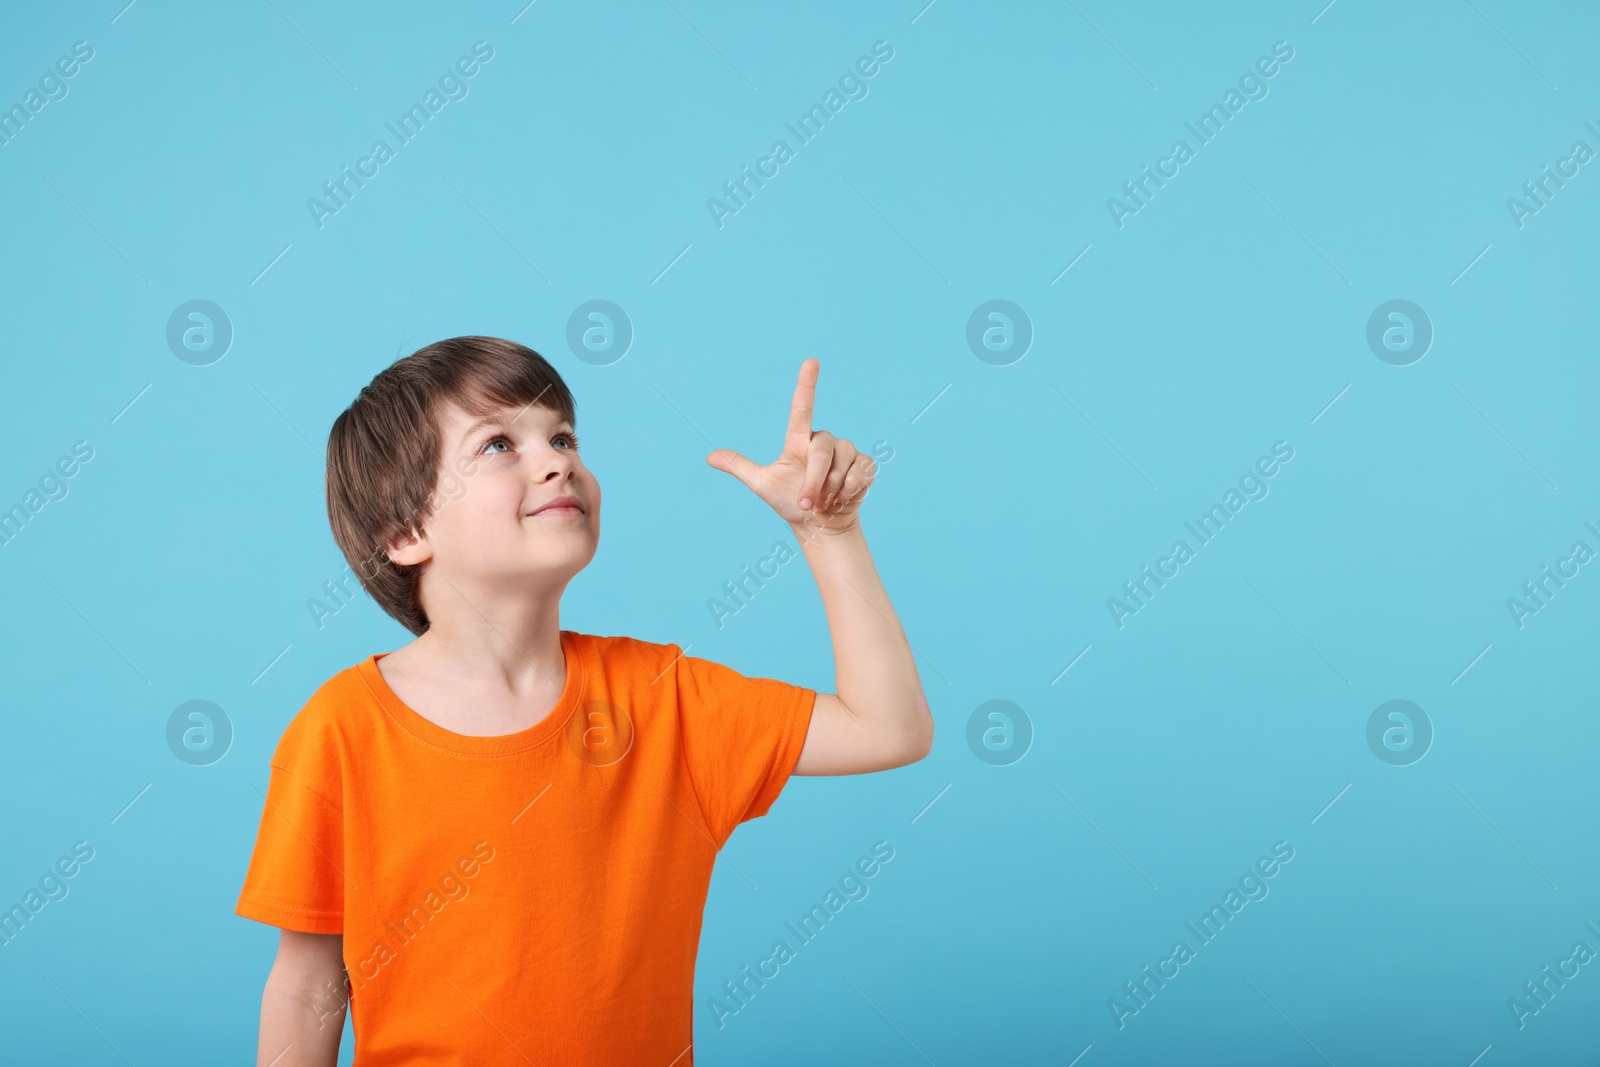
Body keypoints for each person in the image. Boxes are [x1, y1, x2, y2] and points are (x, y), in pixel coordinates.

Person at [235, 336, 932, 1065]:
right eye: (499, 443)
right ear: (406, 531)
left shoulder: (662, 698)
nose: (557, 458)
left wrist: (829, 531)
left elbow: (891, 729)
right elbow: (308, 980)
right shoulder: (341, 728)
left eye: (563, 435)